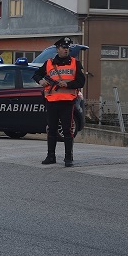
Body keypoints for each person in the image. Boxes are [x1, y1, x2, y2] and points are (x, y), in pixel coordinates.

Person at [32, 37, 85, 167]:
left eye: (68, 48)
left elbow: (81, 82)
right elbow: (36, 74)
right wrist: (41, 81)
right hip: (52, 101)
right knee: (52, 130)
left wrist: (67, 85)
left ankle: (68, 158)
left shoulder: (75, 63)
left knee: (67, 131)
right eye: (64, 48)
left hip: (67, 102)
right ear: (58, 49)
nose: (66, 50)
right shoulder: (49, 63)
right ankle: (51, 156)